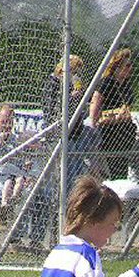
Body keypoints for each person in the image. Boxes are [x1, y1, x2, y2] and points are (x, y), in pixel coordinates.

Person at [42, 54, 102, 187]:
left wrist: (80, 96)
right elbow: (51, 110)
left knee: (78, 170)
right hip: (60, 134)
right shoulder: (53, 84)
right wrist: (70, 97)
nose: (76, 75)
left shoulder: (70, 85)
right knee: (66, 173)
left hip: (75, 133)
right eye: (74, 71)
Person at [89, 47, 137, 180]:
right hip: (108, 130)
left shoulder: (126, 84)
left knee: (122, 169)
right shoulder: (107, 82)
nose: (130, 68)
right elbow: (95, 104)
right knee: (108, 170)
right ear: (117, 66)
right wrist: (98, 121)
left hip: (124, 131)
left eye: (130, 65)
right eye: (127, 65)